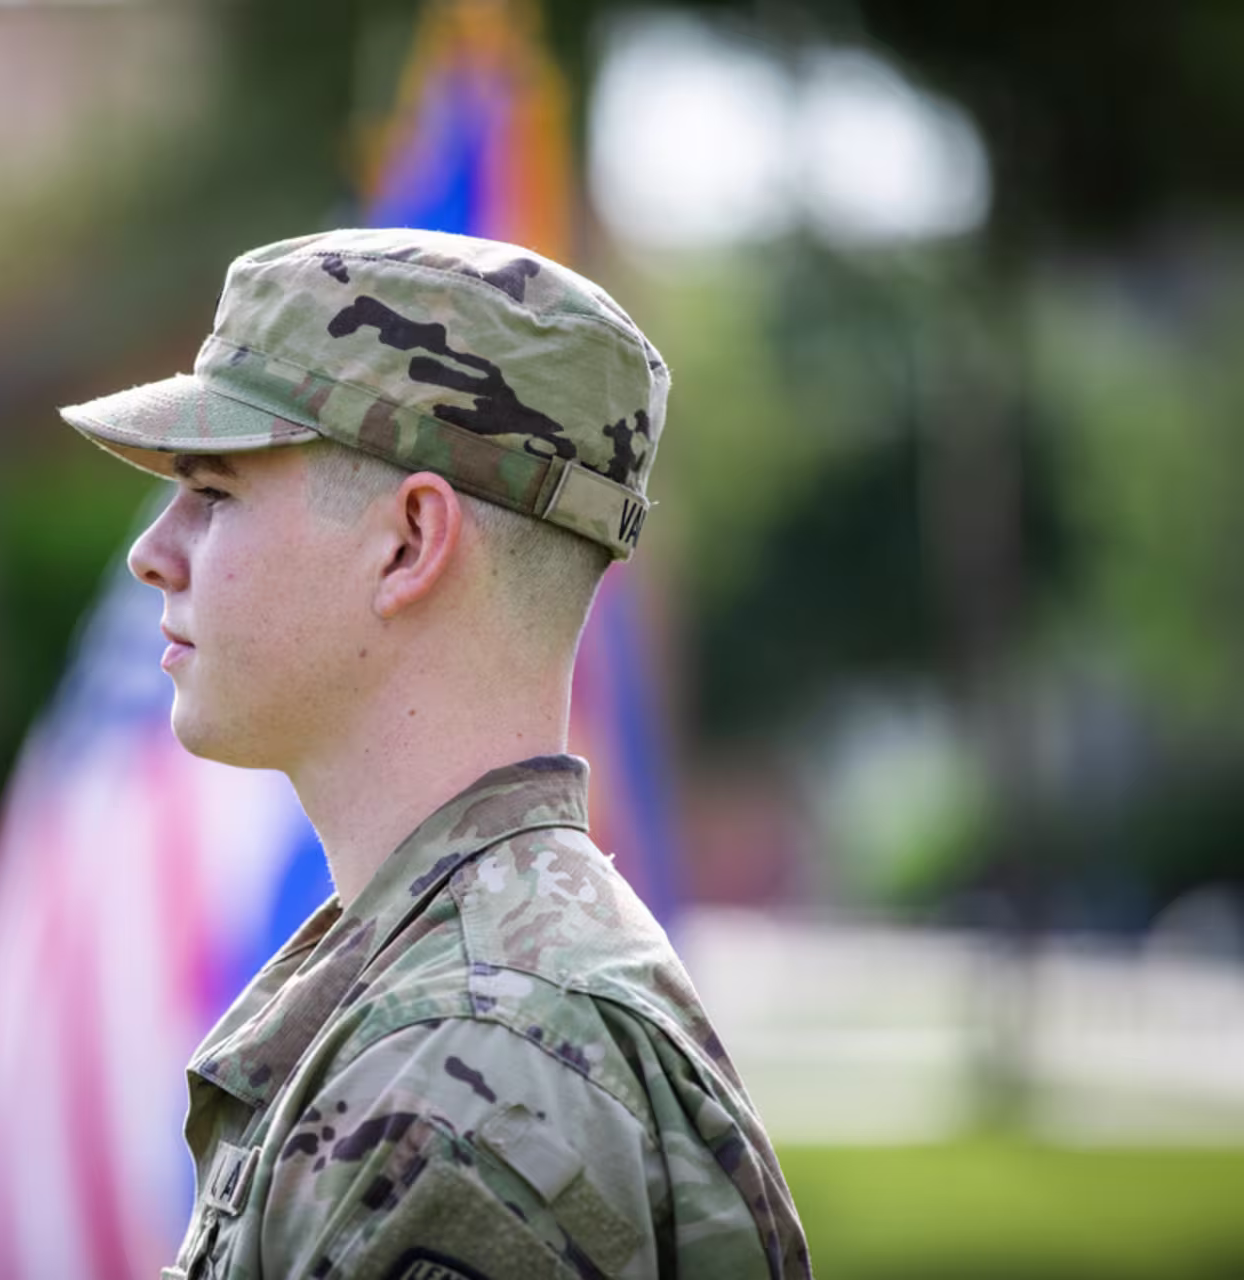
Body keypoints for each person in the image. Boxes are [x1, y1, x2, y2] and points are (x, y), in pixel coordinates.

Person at [59, 227, 810, 1280]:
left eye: (216, 492)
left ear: (410, 542)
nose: (153, 550)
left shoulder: (468, 1070)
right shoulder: (465, 998)